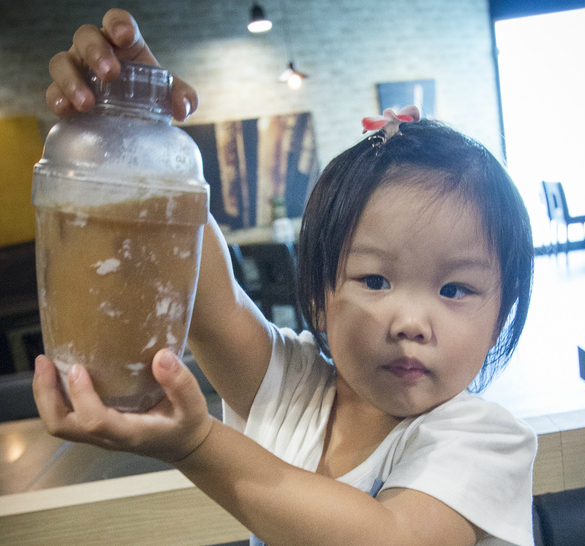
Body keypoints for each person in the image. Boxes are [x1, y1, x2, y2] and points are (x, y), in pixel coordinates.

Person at [34, 8, 537, 546]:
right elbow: (208, 300)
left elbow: (391, 537)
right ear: (319, 298)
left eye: (454, 289)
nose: (410, 322)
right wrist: (139, 130)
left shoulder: (482, 441)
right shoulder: (296, 392)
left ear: (499, 317)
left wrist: (196, 444)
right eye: (374, 280)